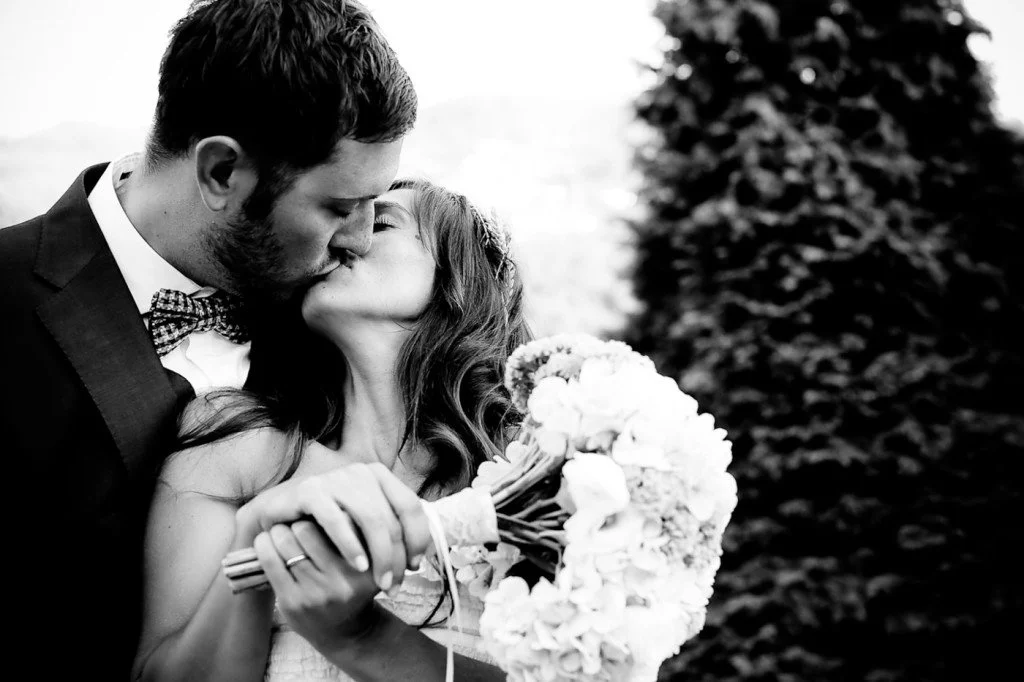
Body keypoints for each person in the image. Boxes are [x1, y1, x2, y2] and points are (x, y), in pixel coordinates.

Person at [0, 1, 415, 678]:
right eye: (339, 208)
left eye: (378, 206)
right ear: (222, 172)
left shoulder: (339, 316)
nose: (360, 240)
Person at [132, 179, 531, 681]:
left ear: (459, 280)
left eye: (382, 222)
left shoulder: (533, 473)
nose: (346, 235)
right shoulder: (234, 446)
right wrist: (252, 556)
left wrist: (362, 637)